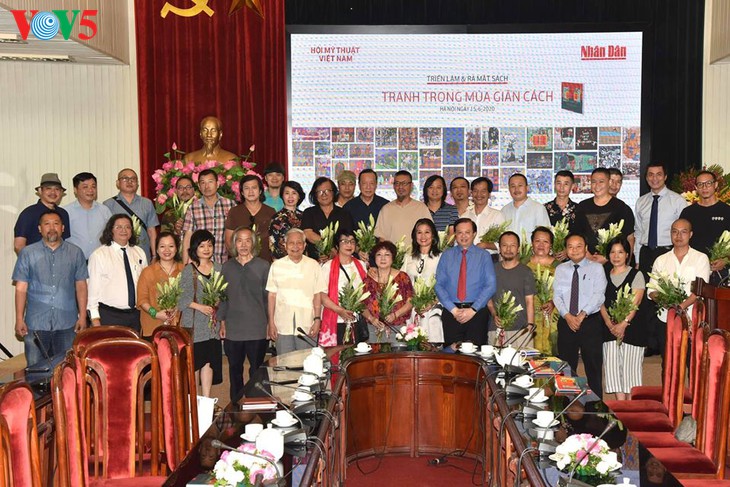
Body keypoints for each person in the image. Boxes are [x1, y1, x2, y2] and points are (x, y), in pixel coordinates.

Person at [13, 210, 87, 366]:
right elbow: (21, 288)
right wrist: (19, 319)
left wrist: (82, 316)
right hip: (36, 324)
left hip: (67, 324)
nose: (52, 228)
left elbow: (81, 286)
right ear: (40, 228)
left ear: (63, 228)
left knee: (66, 370)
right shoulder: (27, 253)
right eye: (47, 224)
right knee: (36, 372)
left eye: (56, 223)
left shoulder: (75, 253)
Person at [219, 227, 271, 403]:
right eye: (239, 240)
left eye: (247, 240)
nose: (243, 244)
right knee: (235, 370)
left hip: (257, 328)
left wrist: (270, 323)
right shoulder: (227, 267)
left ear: (253, 243)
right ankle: (235, 405)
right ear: (234, 244)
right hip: (233, 329)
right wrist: (222, 322)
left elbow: (268, 299)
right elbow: (223, 297)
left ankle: (256, 405)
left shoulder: (263, 266)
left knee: (256, 371)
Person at [553, 233, 607, 398]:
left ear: (586, 248)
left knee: (593, 367)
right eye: (570, 246)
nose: (574, 250)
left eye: (579, 246)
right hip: (567, 322)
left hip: (590, 322)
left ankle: (596, 406)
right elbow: (557, 296)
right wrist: (568, 316)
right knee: (566, 369)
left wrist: (582, 314)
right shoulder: (561, 269)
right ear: (566, 249)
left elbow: (599, 295)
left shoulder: (596, 268)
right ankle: (568, 406)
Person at [648, 219, 710, 357]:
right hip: (666, 319)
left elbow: (699, 291)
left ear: (691, 234)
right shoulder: (661, 260)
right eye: (675, 232)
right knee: (667, 362)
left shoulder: (701, 258)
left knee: (691, 361)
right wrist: (667, 303)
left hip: (692, 320)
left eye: (683, 232)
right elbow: (652, 291)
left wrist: (680, 308)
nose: (678, 236)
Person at [435, 218, 497, 347]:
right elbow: (439, 285)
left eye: (467, 232)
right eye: (459, 232)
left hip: (477, 313)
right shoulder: (446, 255)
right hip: (451, 312)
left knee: (475, 354)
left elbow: (491, 285)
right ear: (455, 235)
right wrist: (453, 310)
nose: (463, 236)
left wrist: (473, 309)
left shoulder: (484, 255)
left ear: (474, 234)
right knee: (452, 354)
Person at [599, 236, 646, 400]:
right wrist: (609, 323)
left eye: (620, 252)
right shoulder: (603, 274)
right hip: (609, 329)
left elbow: (636, 302)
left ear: (627, 254)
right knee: (613, 370)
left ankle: (631, 408)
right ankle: (620, 407)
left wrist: (624, 323)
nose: (616, 256)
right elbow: (599, 301)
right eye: (612, 252)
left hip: (632, 329)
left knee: (631, 371)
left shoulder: (636, 274)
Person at [178, 230, 223, 398]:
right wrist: (200, 307)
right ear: (195, 248)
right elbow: (182, 300)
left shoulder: (219, 268)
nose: (206, 249)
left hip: (212, 326)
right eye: (202, 246)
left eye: (209, 245)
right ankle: (194, 402)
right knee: (195, 364)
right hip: (194, 325)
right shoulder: (189, 270)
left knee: (208, 362)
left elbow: (223, 294)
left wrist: (217, 304)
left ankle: (206, 400)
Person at [266, 228, 326, 354]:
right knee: (284, 362)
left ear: (304, 245)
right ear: (285, 245)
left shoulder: (313, 265)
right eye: (291, 243)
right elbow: (272, 296)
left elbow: (317, 295)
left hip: (308, 323)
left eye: (299, 243)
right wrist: (271, 322)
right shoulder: (276, 266)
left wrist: (317, 319)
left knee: (307, 362)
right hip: (282, 324)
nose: (295, 246)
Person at [88, 214, 148, 332]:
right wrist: (95, 319)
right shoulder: (99, 255)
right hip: (109, 315)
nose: (123, 230)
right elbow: (92, 290)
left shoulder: (139, 252)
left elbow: (145, 284)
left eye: (127, 227)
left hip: (135, 315)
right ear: (111, 230)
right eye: (119, 227)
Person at [634, 162, 687, 274]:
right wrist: (637, 259)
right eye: (651, 175)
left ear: (665, 177)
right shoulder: (641, 202)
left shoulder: (678, 201)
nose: (654, 178)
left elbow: (685, 231)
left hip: (669, 252)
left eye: (659, 174)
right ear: (646, 177)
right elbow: (638, 232)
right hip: (646, 254)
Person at [680, 170, 730, 284]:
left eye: (708, 183)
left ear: (715, 185)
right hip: (693, 268)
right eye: (700, 184)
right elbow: (680, 240)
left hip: (719, 271)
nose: (704, 187)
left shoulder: (727, 211)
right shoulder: (688, 212)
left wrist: (725, 260)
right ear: (696, 188)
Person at [319, 229, 368, 345]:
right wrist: (340, 311)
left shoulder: (361, 265)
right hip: (336, 320)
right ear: (337, 246)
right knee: (336, 353)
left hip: (357, 320)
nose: (349, 245)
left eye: (352, 241)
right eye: (345, 241)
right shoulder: (327, 266)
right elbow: (322, 295)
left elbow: (366, 291)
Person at [487, 232, 536, 346]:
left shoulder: (526, 272)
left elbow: (529, 301)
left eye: (512, 245)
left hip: (521, 330)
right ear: (499, 248)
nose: (508, 249)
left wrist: (530, 326)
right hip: (496, 328)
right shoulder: (491, 270)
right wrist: (494, 314)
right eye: (504, 245)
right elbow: (488, 298)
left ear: (518, 248)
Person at [577, 168, 635, 263]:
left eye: (601, 182)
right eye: (594, 182)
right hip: (585, 261)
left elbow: (629, 238)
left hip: (613, 263)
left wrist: (607, 257)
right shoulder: (582, 206)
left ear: (609, 183)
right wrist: (586, 254)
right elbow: (577, 235)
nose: (597, 186)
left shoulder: (622, 208)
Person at [362, 240, 414, 342]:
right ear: (374, 258)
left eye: (387, 254)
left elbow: (410, 301)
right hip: (374, 329)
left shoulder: (402, 277)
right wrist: (372, 319)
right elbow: (361, 304)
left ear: (393, 257)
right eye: (379, 254)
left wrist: (395, 314)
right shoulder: (368, 280)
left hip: (397, 328)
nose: (383, 258)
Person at [104, 168, 159, 263]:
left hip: (142, 254)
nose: (129, 181)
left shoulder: (147, 203)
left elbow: (151, 232)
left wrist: (154, 255)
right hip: (117, 256)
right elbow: (106, 233)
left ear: (137, 184)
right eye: (125, 178)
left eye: (133, 179)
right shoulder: (108, 204)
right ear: (118, 183)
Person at [182, 169, 235, 265]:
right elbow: (187, 238)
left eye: (210, 182)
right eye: (203, 183)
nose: (207, 186)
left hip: (224, 263)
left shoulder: (230, 205)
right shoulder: (193, 208)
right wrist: (185, 265)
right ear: (199, 186)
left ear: (217, 184)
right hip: (200, 265)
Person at [136, 231, 184, 337]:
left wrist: (176, 310)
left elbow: (189, 296)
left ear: (176, 249)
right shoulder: (147, 272)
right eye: (162, 246)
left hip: (179, 326)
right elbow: (142, 300)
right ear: (157, 250)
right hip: (153, 327)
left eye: (171, 246)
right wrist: (156, 314)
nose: (167, 250)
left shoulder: (184, 270)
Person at [402, 219, 443, 342]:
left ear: (433, 235)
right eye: (419, 232)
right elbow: (402, 282)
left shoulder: (441, 257)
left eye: (427, 232)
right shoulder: (408, 257)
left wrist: (432, 302)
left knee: (432, 344)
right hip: (412, 308)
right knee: (413, 343)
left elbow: (446, 284)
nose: (423, 236)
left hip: (433, 308)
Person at [14, 173, 71, 255]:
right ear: (40, 191)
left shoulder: (63, 213)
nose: (53, 192)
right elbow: (19, 245)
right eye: (48, 188)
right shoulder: (28, 213)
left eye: (57, 189)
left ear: (61, 192)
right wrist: (30, 261)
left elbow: (65, 242)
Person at [225, 174, 276, 262]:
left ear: (260, 191)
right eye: (247, 188)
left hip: (265, 261)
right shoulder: (234, 212)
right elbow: (229, 241)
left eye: (254, 188)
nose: (250, 191)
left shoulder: (270, 211)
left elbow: (274, 240)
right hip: (240, 263)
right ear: (242, 192)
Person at [301, 177, 354, 261]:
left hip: (340, 260)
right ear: (315, 195)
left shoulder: (344, 214)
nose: (324, 194)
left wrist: (335, 253)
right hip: (314, 262)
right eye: (319, 192)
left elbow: (348, 237)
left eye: (327, 191)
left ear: (333, 192)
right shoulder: (309, 212)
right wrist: (328, 248)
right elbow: (308, 234)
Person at [64, 172, 112, 260]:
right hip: (75, 261)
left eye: (93, 187)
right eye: (85, 187)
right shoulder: (66, 212)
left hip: (100, 260)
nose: (90, 190)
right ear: (75, 190)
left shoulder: (104, 211)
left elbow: (111, 235)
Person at [374, 170, 432, 244]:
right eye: (397, 183)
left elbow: (429, 234)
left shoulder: (421, 208)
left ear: (411, 185)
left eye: (404, 183)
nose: (400, 187)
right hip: (393, 251)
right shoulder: (386, 209)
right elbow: (381, 237)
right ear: (393, 186)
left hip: (415, 251)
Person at [527, 226, 559, 355]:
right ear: (532, 243)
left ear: (551, 245)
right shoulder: (523, 263)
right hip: (529, 314)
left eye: (545, 241)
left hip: (552, 315)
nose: (541, 245)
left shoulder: (559, 266)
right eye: (537, 241)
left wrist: (554, 302)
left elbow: (566, 291)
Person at [501, 173, 550, 238]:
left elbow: (546, 237)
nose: (516, 189)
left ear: (527, 188)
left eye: (520, 185)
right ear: (509, 189)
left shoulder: (539, 209)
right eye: (513, 186)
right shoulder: (504, 210)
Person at [465, 177, 505, 255]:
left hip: (490, 258)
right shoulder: (465, 216)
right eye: (475, 191)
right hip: (467, 258)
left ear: (489, 194)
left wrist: (486, 245)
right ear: (471, 193)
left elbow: (504, 243)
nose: (479, 194)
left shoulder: (497, 215)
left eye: (483, 191)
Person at [269, 181, 305, 259]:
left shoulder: (305, 216)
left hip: (303, 261)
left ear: (299, 196)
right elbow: (273, 244)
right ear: (282, 196)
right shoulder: (276, 218)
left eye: (294, 193)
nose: (290, 197)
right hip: (283, 261)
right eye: (287, 193)